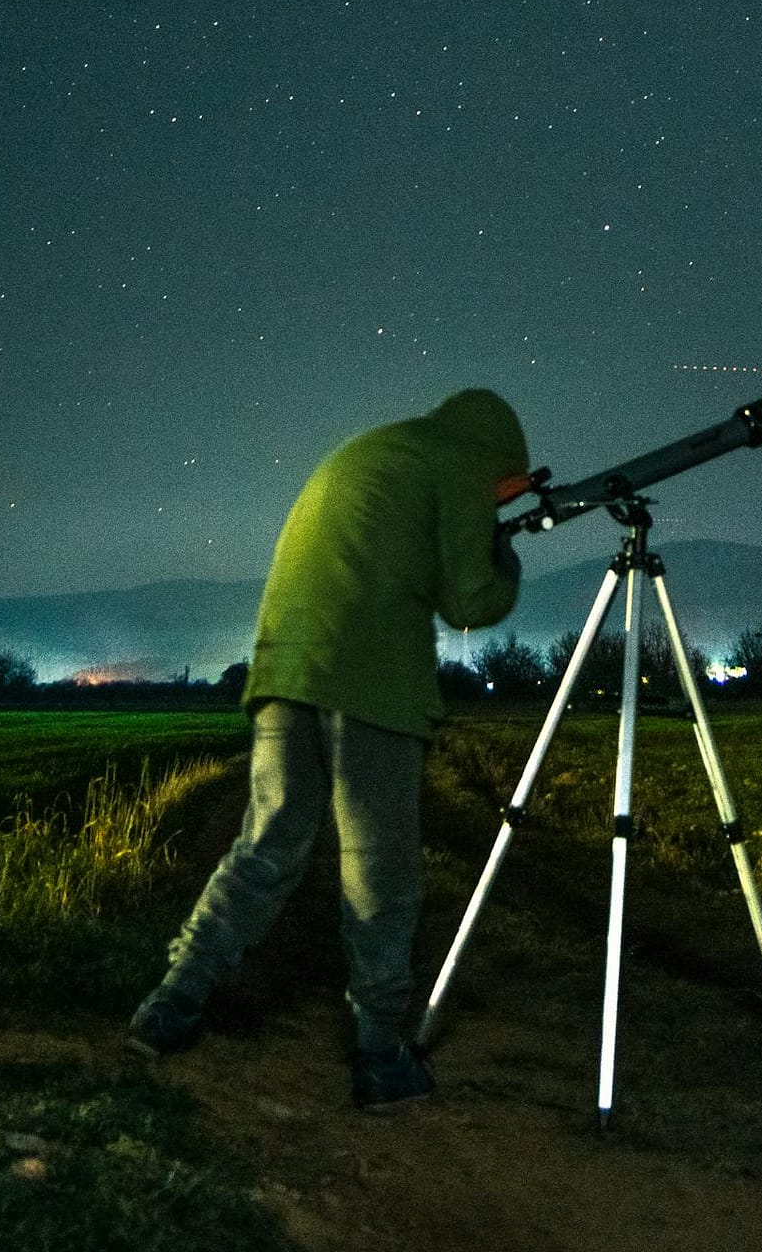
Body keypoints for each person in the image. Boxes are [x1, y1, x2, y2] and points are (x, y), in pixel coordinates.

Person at [129, 387, 530, 1108]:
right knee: (379, 866)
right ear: (500, 457)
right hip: (370, 675)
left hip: (285, 667)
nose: (500, 497)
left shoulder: (377, 449)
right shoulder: (464, 466)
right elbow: (471, 602)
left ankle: (170, 1005)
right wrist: (506, 556)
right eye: (506, 488)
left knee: (267, 846)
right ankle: (381, 1054)